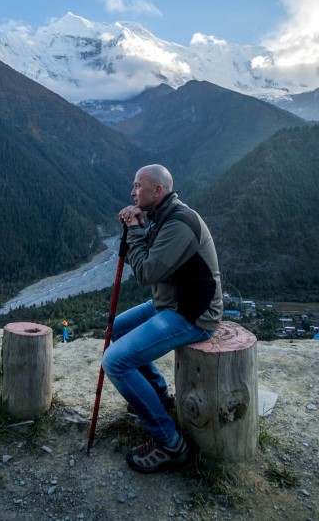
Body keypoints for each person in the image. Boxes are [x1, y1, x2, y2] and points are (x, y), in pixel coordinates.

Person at [102, 164, 223, 474]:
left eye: (138, 186)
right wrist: (140, 226)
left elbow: (146, 273)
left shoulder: (179, 224)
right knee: (117, 329)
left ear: (158, 190)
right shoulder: (163, 216)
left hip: (192, 314)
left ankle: (171, 443)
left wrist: (135, 230)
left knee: (114, 362)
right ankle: (158, 394)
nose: (132, 193)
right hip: (170, 303)